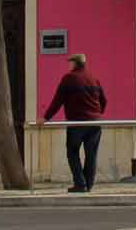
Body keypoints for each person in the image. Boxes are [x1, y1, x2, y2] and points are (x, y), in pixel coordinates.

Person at [43, 51, 107, 192]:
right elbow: (104, 101)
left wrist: (46, 117)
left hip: (77, 123)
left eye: (70, 63)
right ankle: (88, 185)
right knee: (91, 155)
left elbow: (57, 101)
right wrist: (97, 113)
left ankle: (80, 184)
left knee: (72, 152)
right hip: (94, 123)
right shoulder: (94, 79)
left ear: (74, 63)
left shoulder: (69, 78)